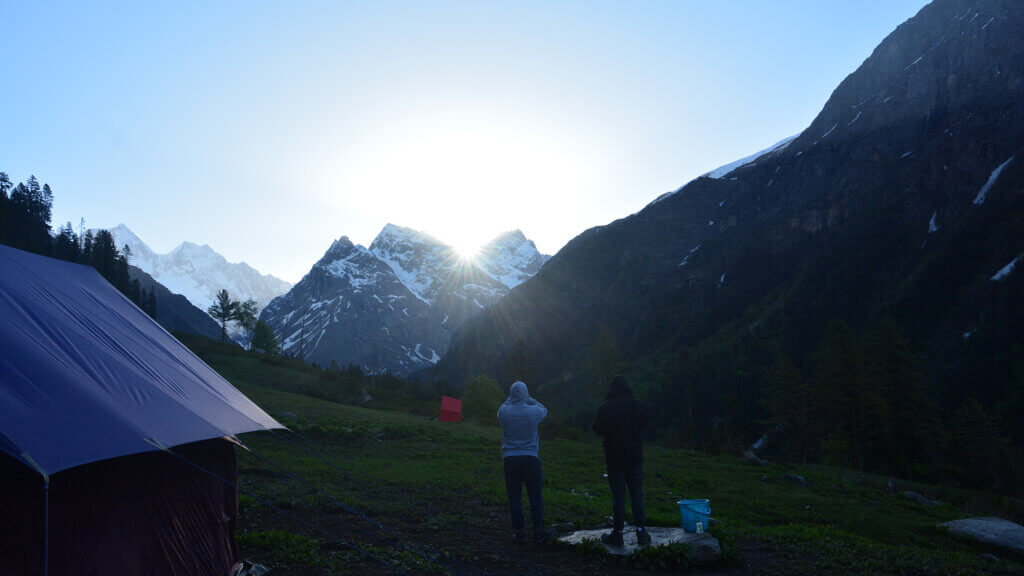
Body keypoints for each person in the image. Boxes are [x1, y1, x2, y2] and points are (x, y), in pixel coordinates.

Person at [592, 374, 650, 547]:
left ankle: (617, 534)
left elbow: (598, 429)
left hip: (614, 457)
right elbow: (644, 423)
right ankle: (641, 532)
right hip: (634, 456)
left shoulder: (606, 407)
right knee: (636, 493)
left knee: (618, 496)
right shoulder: (638, 405)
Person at [497, 381, 556, 544]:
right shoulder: (533, 412)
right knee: (535, 496)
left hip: (509, 459)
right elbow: (545, 409)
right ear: (525, 394)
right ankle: (537, 531)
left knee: (514, 497)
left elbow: (503, 406)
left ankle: (519, 532)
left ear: (510, 395)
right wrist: (530, 399)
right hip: (530, 458)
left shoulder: (504, 412)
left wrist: (511, 398)